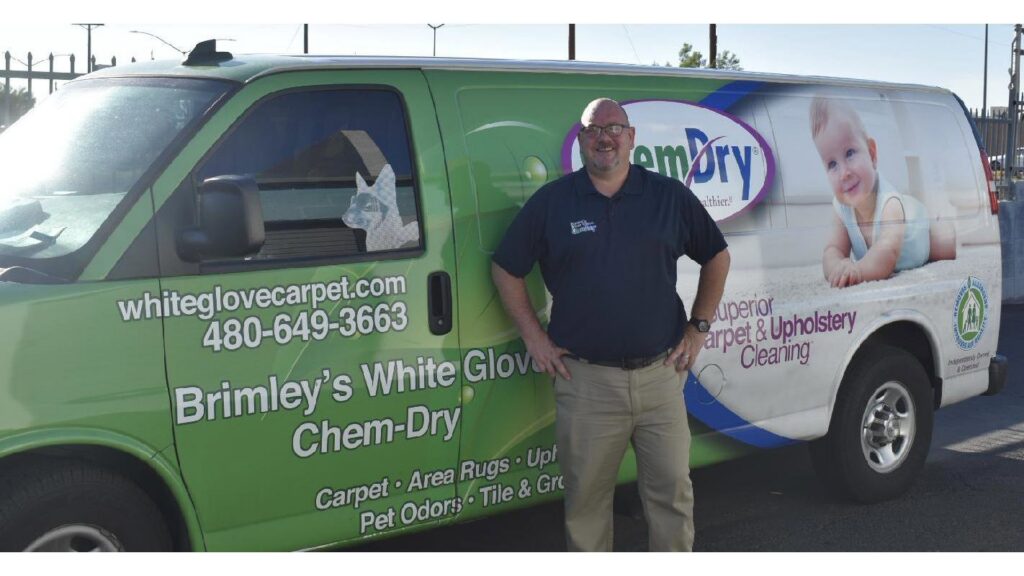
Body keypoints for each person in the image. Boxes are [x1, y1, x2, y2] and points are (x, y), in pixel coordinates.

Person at [491, 98, 730, 552]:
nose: (605, 137)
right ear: (581, 140)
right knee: (586, 505)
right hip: (586, 384)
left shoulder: (668, 196)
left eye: (615, 128)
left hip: (661, 378)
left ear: (632, 137)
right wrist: (533, 337)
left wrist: (698, 328)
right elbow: (506, 268)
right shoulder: (553, 203)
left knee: (672, 499)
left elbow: (717, 255)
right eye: (594, 129)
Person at [811, 96, 956, 288]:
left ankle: (943, 221)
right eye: (832, 164)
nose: (844, 173)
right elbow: (832, 249)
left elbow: (888, 252)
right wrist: (838, 267)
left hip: (918, 228)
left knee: (944, 247)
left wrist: (859, 271)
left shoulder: (889, 203)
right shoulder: (841, 209)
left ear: (871, 154)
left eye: (850, 153)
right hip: (900, 222)